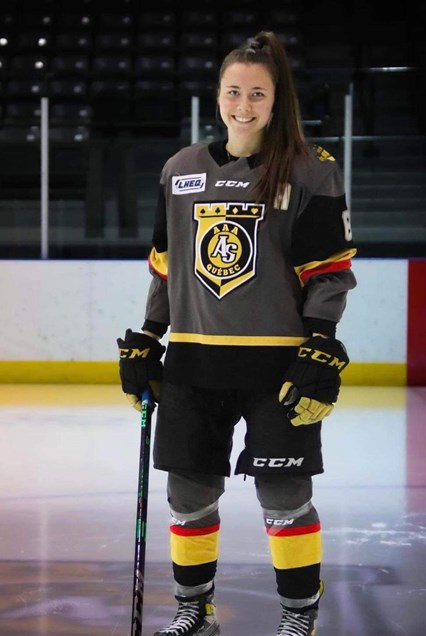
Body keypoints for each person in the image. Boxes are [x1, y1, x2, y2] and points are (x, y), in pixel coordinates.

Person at [117, 30, 357, 636]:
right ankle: (196, 612)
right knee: (188, 500)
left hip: (276, 366)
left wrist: (320, 343)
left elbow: (329, 272)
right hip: (195, 361)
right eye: (233, 92)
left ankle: (298, 617)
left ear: (277, 100)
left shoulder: (309, 169)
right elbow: (165, 265)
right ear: (217, 95)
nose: (243, 105)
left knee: (284, 500)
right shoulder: (182, 170)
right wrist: (150, 334)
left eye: (257, 93)